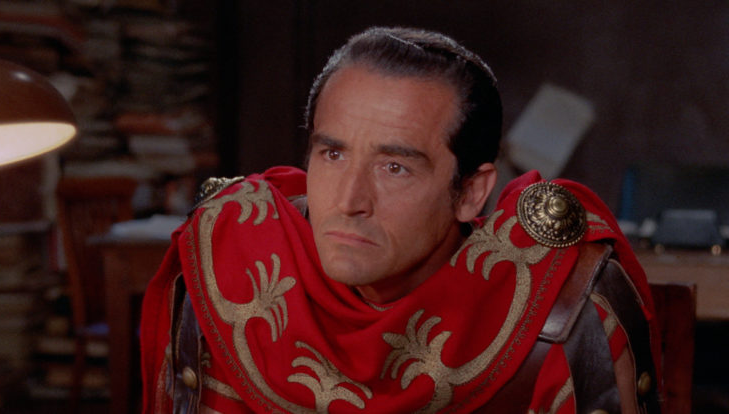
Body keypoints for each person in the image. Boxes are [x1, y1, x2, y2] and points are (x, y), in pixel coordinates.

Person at [140, 27, 661, 413]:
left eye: (395, 167)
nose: (350, 200)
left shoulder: (558, 300)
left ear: (470, 193)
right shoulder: (226, 263)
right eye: (332, 154)